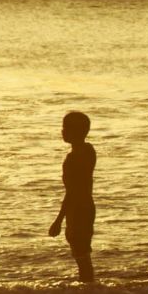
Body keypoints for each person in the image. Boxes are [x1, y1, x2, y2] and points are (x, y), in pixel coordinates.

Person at [49, 111, 97, 283]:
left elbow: (72, 191)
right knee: (82, 254)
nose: (62, 131)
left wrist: (58, 220)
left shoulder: (75, 157)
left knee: (81, 255)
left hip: (78, 210)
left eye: (65, 128)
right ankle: (88, 292)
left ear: (74, 132)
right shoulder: (88, 151)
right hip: (86, 207)